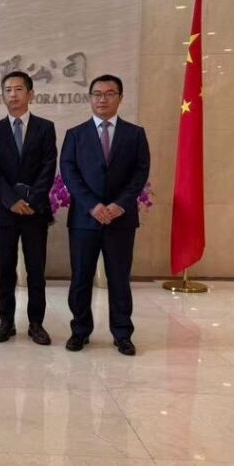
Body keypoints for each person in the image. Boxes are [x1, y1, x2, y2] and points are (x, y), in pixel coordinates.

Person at [59, 74, 150, 356]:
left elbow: (140, 173)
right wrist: (93, 205)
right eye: (97, 94)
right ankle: (79, 331)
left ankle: (122, 334)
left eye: (110, 94)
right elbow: (69, 172)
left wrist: (120, 205)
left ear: (120, 98)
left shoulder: (135, 134)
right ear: (90, 98)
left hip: (121, 220)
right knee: (81, 278)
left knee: (119, 278)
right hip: (84, 220)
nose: (102, 99)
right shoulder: (75, 134)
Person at [0, 70, 57, 345]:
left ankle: (36, 324)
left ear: (30, 94)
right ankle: (6, 322)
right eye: (8, 90)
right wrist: (12, 200)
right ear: (2, 96)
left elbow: (48, 167)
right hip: (5, 212)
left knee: (36, 270)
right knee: (6, 269)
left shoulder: (45, 128)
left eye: (18, 89)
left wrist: (33, 200)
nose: (13, 95)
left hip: (35, 212)